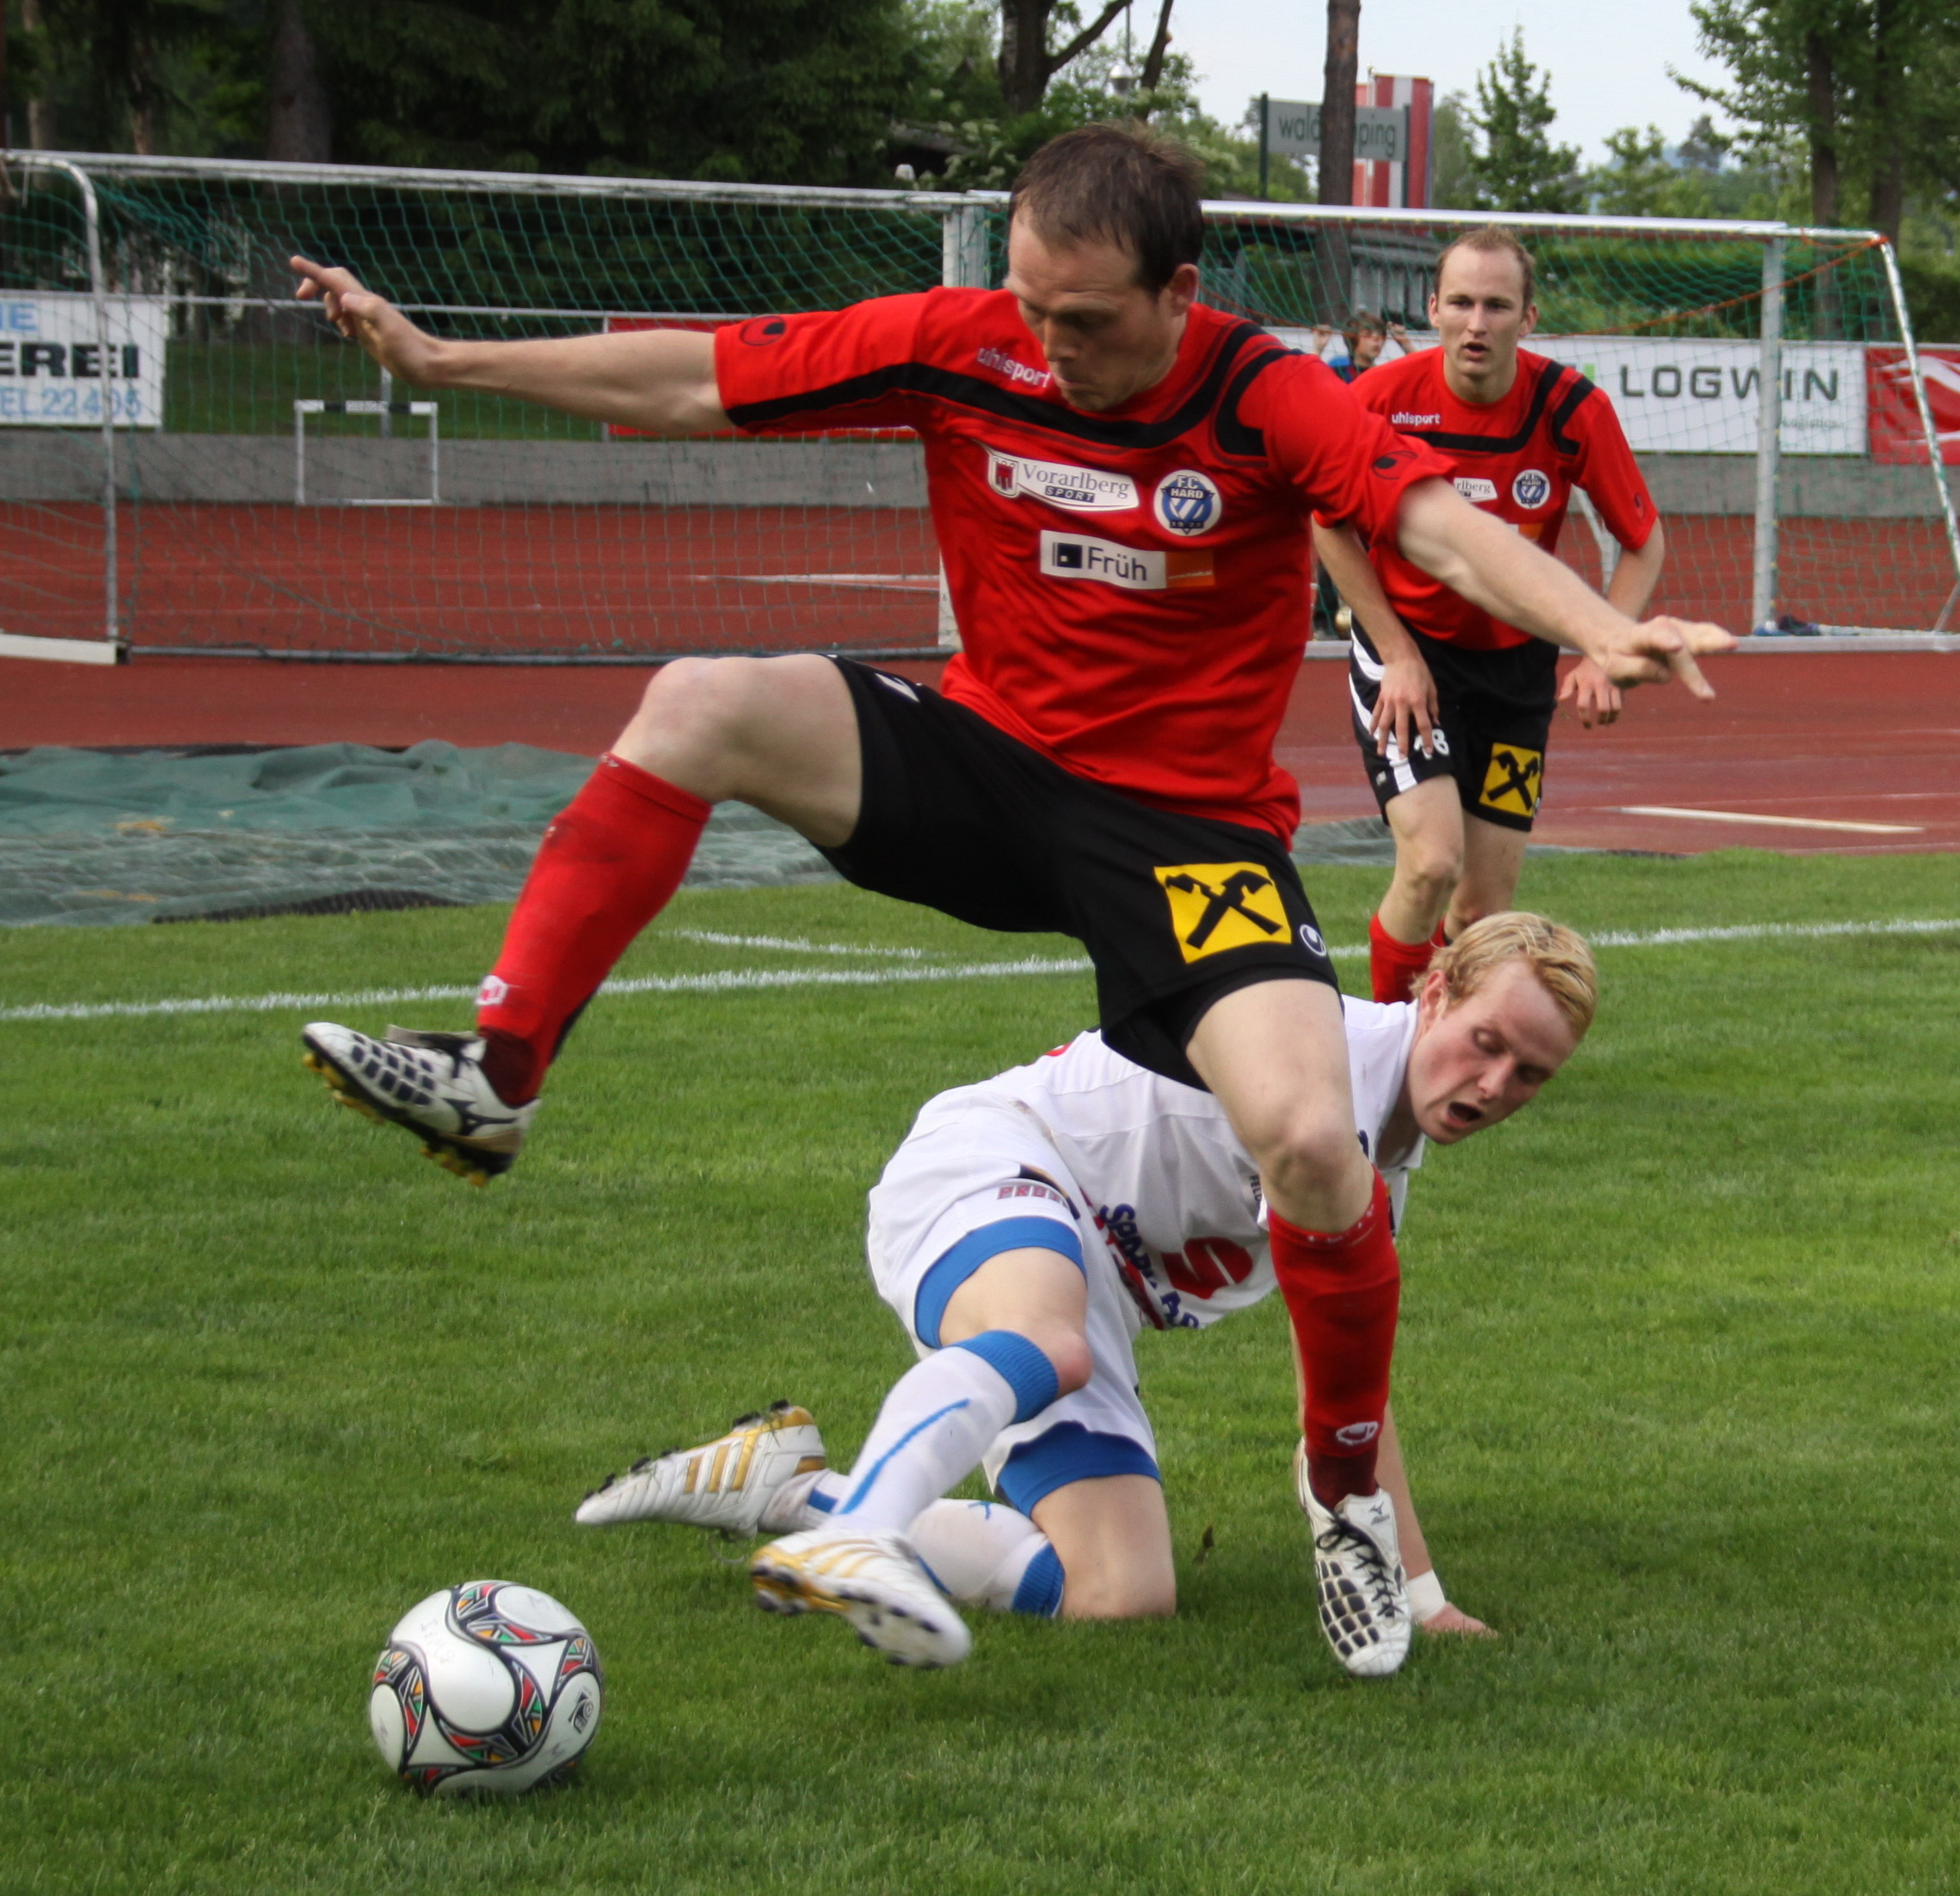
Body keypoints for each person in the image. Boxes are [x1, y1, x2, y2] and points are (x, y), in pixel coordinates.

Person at [291, 124, 1724, 1665]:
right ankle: (499, 1075)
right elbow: (700, 375)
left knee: (1317, 1143)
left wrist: (1595, 625)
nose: (1050, 345)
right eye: (1033, 308)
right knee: (701, 698)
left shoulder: (1262, 393)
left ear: (1178, 292)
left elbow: (1432, 520)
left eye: (1087, 318)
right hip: (985, 766)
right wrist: (442, 361)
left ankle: (1349, 1508)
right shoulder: (965, 342)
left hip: (1186, 835)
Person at [575, 913, 1596, 1677]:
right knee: (1046, 1338)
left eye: (1529, 1074)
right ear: (1433, 990)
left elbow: (1341, 1395)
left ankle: (789, 1486)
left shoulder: (1379, 1164)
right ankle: (864, 1528)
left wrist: (1420, 1594)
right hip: (994, 1164)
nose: (1494, 1084)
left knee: (1119, 1593)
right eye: (1487, 1041)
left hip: (1089, 1281)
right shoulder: (1311, 1062)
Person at [1311, 228, 1667, 1005]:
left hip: (1517, 672)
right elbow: (1326, 522)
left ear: (1527, 317)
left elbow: (1644, 541)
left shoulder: (1571, 409)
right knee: (1431, 862)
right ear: (1432, 308)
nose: (1477, 323)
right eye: (1462, 303)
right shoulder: (1377, 399)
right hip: (1408, 651)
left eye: (1497, 306)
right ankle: (1389, 1046)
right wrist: (1396, 653)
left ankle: (1447, 1036)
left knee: (1480, 912)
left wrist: (1604, 653)